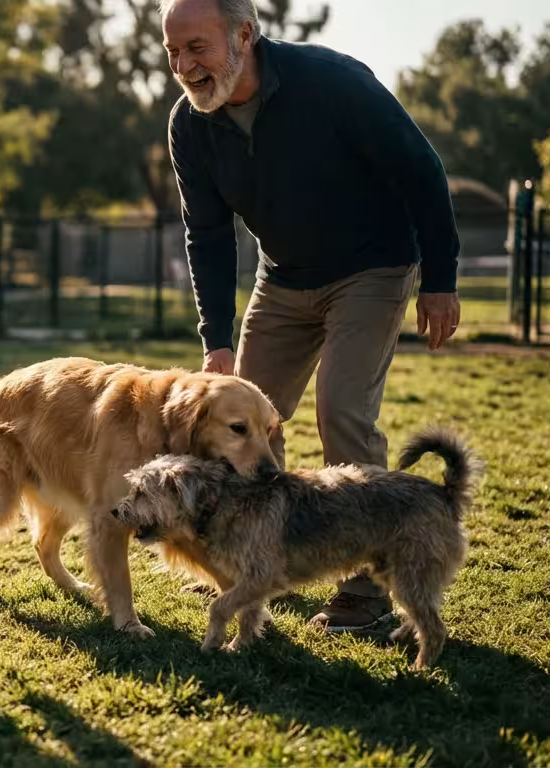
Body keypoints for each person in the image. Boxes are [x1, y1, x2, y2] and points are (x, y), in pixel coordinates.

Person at [161, 0, 463, 631]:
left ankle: (363, 592)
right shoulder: (190, 125)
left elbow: (422, 170)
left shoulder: (331, 82)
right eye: (173, 52)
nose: (185, 67)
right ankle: (249, 560)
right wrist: (216, 340)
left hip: (372, 266)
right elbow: (208, 235)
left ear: (243, 34)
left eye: (198, 48)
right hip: (285, 276)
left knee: (343, 415)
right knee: (242, 418)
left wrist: (439, 280)